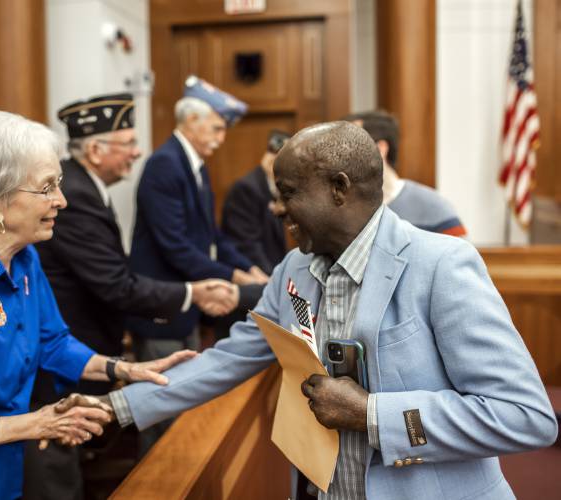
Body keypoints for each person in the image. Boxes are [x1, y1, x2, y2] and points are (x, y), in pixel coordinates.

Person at [64, 121, 556, 499]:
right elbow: (231, 358)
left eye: (289, 193)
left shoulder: (441, 266)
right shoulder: (294, 269)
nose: (276, 208)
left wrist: (370, 414)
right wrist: (114, 407)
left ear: (339, 189)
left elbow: (524, 415)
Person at [0, 111, 195, 500]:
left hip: (4, 473)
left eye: (58, 184)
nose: (61, 201)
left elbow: (52, 342)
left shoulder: (24, 255)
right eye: (46, 188)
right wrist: (39, 424)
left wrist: (123, 368)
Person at [26, 93, 237, 498]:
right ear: (95, 149)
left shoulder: (87, 188)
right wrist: (193, 293)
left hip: (85, 346)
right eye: (128, 143)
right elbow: (115, 283)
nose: (138, 152)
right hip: (70, 350)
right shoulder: (77, 195)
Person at [127, 75, 268, 452]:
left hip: (188, 307)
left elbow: (212, 237)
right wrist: (233, 281)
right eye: (218, 128)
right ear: (191, 120)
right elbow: (175, 245)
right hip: (162, 305)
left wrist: (246, 272)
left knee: (182, 404)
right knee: (160, 410)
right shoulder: (164, 164)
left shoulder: (195, 166)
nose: (221, 139)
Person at [346, 110, 467, 237]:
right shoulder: (341, 209)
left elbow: (463, 255)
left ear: (380, 149)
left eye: (350, 146)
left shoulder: (434, 208)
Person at [221, 129, 290, 275]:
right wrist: (272, 279)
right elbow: (246, 243)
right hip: (254, 275)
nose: (274, 158)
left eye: (281, 154)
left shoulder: (274, 186)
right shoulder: (247, 188)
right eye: (272, 151)